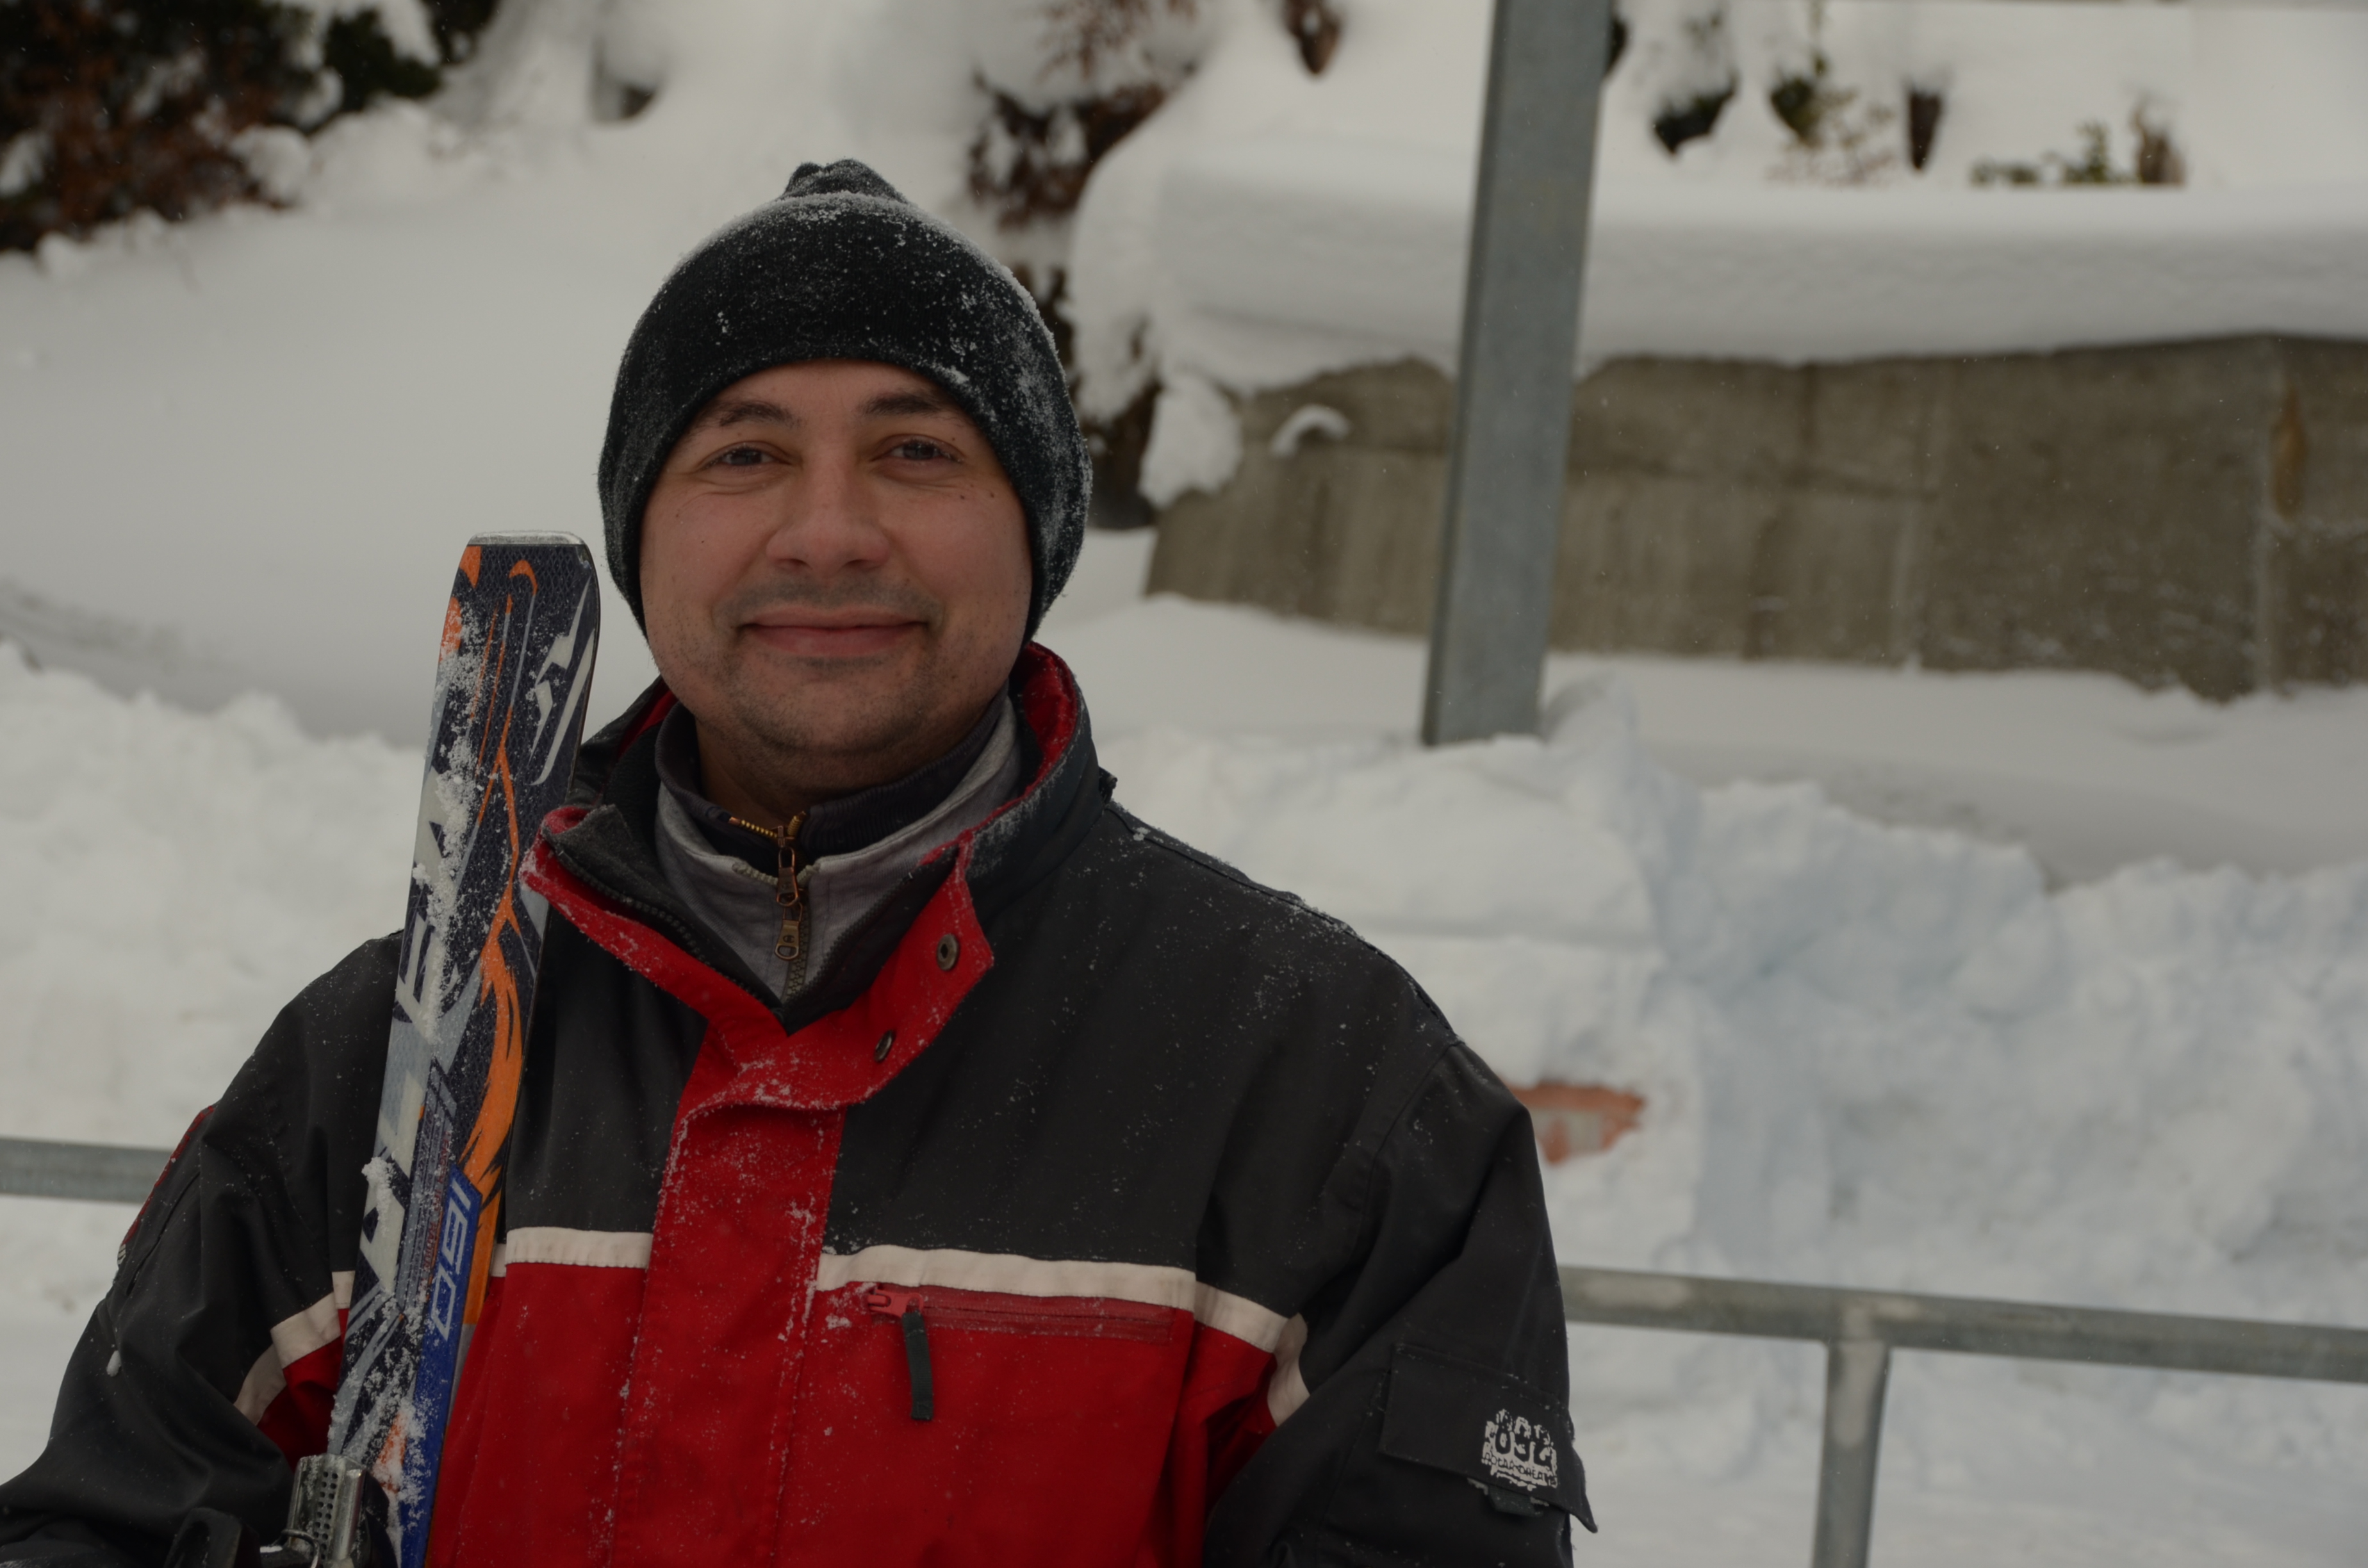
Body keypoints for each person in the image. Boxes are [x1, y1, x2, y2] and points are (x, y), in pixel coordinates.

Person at [0, 161, 1590, 1567]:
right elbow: (105, 1520)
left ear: (1035, 535)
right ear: (645, 540)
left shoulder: (1329, 1097)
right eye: (745, 456)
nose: (828, 532)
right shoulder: (378, 1078)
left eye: (917, 451)